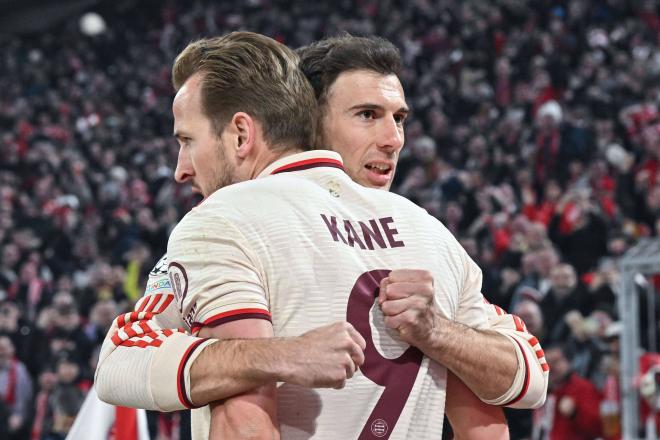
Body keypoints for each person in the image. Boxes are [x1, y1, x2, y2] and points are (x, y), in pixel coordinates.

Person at [95, 32, 547, 438]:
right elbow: (498, 412)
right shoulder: (429, 232)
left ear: (241, 133)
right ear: (312, 120)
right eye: (367, 115)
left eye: (398, 118)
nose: (393, 138)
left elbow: (231, 410)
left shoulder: (223, 221)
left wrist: (438, 332)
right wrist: (283, 354)